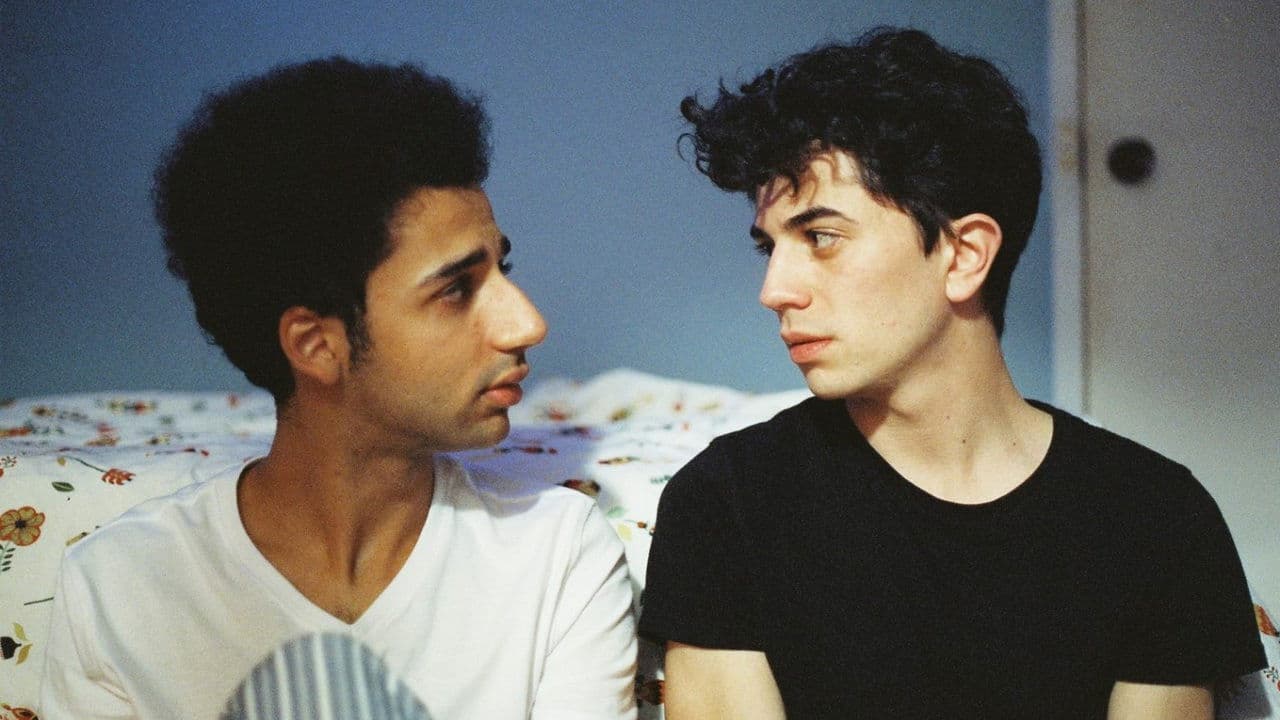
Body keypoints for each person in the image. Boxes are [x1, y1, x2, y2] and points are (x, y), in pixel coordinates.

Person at [639, 27, 1264, 719]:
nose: (774, 290)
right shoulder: (727, 504)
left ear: (964, 256)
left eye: (821, 237)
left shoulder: (1157, 518)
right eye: (770, 247)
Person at [40, 57, 637, 719]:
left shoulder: (556, 555)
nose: (527, 323)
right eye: (455, 289)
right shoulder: (121, 588)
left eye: (504, 269)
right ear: (316, 345)